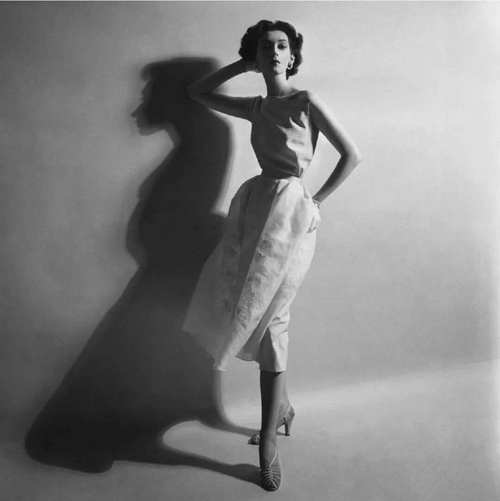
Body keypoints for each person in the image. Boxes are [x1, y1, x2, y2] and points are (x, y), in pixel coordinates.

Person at [182, 19, 362, 491]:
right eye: (266, 48)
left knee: (275, 316)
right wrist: (242, 65)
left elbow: (351, 155)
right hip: (254, 209)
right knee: (253, 312)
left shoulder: (306, 101)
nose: (276, 53)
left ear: (293, 55)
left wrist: (316, 201)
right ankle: (282, 407)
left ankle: (266, 441)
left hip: (292, 214)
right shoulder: (256, 106)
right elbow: (198, 92)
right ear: (257, 57)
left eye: (283, 46)